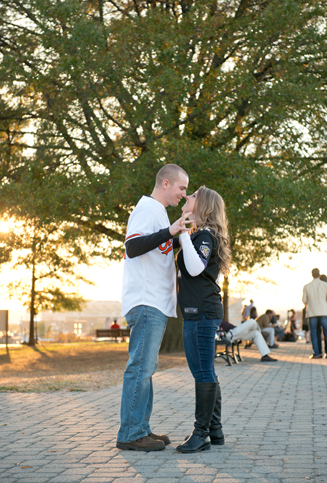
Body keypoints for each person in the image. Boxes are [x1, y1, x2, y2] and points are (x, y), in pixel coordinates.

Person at [116, 164, 190, 452]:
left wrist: (176, 235)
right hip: (146, 301)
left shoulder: (159, 212)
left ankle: (141, 428)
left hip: (156, 302)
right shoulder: (147, 208)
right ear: (166, 182)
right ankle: (131, 434)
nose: (184, 195)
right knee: (140, 368)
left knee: (147, 368)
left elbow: (158, 251)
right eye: (182, 188)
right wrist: (169, 231)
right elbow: (132, 248)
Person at [175, 186, 230, 453]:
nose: (187, 197)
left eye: (193, 195)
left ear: (204, 206)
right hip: (201, 312)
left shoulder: (205, 236)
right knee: (206, 370)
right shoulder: (203, 235)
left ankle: (201, 434)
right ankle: (215, 430)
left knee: (202, 372)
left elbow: (196, 268)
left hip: (201, 313)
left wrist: (184, 234)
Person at [302, 268, 327, 359]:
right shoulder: (325, 285)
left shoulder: (307, 286)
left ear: (312, 275)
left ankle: (317, 353)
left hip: (312, 312)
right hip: (324, 312)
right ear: (319, 275)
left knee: (314, 333)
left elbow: (304, 300)